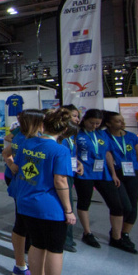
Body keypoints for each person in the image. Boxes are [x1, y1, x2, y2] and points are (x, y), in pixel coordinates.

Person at [8, 108, 77, 275]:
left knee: (37, 245)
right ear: (63, 130)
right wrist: (68, 210)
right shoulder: (60, 150)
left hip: (26, 203)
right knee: (55, 249)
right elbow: (61, 181)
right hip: (49, 206)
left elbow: (19, 167)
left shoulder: (28, 143)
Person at [72, 109, 133, 252]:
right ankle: (87, 233)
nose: (94, 126)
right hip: (84, 173)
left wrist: (113, 173)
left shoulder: (102, 134)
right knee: (84, 202)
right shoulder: (76, 133)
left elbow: (107, 154)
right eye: (92, 123)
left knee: (117, 205)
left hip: (103, 173)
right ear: (84, 120)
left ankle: (116, 237)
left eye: (97, 123)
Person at [2, 109, 45, 275]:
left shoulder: (22, 137)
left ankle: (21, 265)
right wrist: (14, 167)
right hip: (29, 188)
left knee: (21, 223)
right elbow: (8, 155)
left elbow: (7, 154)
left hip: (22, 185)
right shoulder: (31, 141)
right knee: (30, 227)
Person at [103, 111, 138, 253]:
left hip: (133, 174)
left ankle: (124, 234)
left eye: (122, 120)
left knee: (133, 206)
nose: (122, 123)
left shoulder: (131, 137)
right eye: (118, 121)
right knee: (125, 206)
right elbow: (108, 155)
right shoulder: (104, 137)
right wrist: (112, 173)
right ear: (108, 123)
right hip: (116, 174)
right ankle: (116, 233)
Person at [61, 104, 84, 252]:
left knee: (69, 203)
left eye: (77, 116)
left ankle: (67, 237)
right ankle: (64, 239)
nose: (77, 119)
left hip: (70, 172)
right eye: (74, 116)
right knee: (65, 205)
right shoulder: (60, 136)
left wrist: (78, 162)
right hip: (61, 174)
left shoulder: (72, 135)